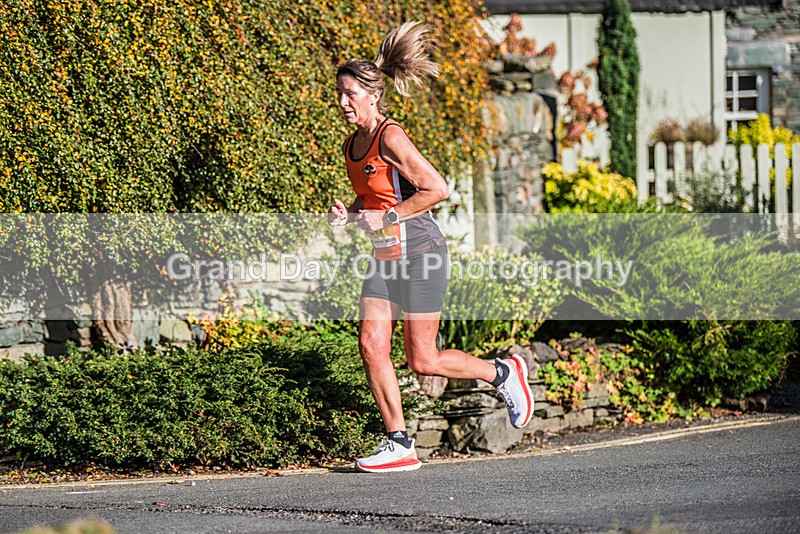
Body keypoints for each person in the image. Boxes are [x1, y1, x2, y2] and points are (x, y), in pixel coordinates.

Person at [328, 22, 533, 473]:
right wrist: (352, 214)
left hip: (422, 254)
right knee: (370, 344)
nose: (342, 102)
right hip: (386, 256)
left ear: (372, 95)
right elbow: (377, 198)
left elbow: (437, 189)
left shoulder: (390, 136)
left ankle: (501, 372)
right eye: (339, 94)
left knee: (423, 360)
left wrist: (388, 216)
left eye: (350, 94)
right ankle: (399, 442)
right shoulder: (353, 145)